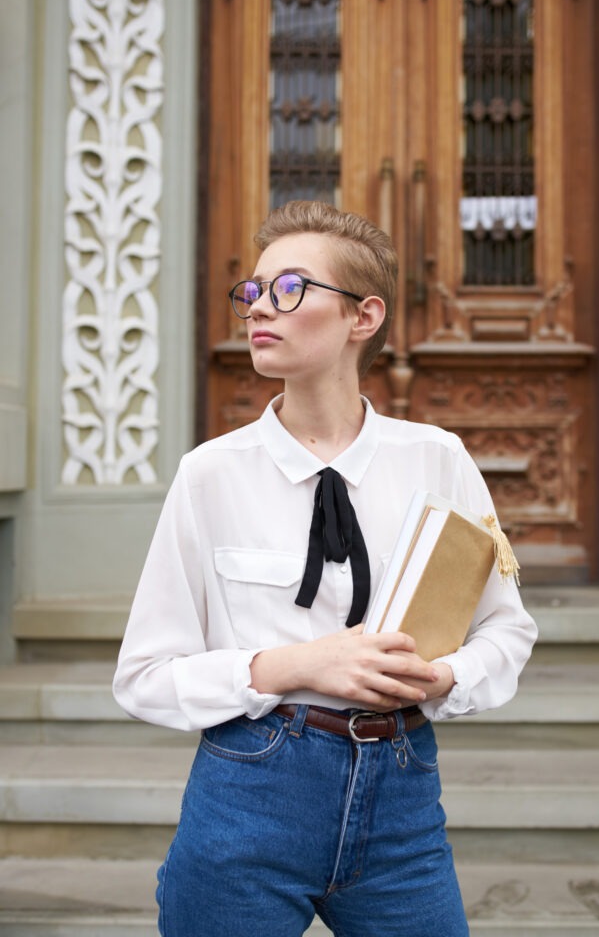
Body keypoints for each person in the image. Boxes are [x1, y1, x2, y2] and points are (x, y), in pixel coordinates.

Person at [113, 200, 538, 937]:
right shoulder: (211, 473)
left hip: (402, 799)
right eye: (251, 291)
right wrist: (294, 665)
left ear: (362, 317)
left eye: (289, 290)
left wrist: (443, 679)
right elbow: (145, 676)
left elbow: (504, 630)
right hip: (250, 792)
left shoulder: (435, 458)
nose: (257, 309)